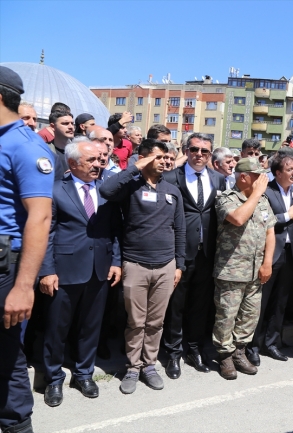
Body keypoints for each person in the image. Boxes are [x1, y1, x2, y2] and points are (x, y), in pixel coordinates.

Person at [38, 137, 122, 407]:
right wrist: (47, 271)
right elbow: (46, 234)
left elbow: (115, 230)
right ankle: (53, 379)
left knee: (90, 327)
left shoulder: (106, 191)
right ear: (73, 163)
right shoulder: (55, 191)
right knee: (57, 328)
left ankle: (83, 374)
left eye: (100, 160)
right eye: (91, 160)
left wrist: (116, 261)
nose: (98, 164)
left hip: (99, 270)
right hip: (64, 272)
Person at [99, 139, 186, 395]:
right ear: (145, 158)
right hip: (135, 264)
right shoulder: (131, 187)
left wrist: (179, 265)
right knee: (136, 321)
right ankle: (133, 367)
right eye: (158, 157)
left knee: (156, 322)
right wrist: (136, 167)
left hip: (166, 266)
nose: (164, 161)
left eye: (165, 157)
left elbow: (179, 230)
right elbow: (107, 191)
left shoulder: (172, 190)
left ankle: (149, 365)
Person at [0, 65, 54, 433]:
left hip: (5, 264)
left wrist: (23, 287)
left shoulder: (25, 144)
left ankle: (17, 424)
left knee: (5, 358)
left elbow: (40, 218)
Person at [161, 133, 226, 379]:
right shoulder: (170, 177)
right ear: (186, 151)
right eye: (195, 149)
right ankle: (173, 352)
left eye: (205, 151)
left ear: (210, 155)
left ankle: (195, 348)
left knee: (200, 305)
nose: (199, 155)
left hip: (207, 253)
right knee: (176, 306)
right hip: (179, 253)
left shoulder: (219, 179)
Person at [212, 158, 275, 380]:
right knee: (226, 315)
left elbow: (270, 232)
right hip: (232, 269)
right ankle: (225, 355)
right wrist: (256, 194)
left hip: (256, 270)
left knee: (250, 314)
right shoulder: (226, 199)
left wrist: (267, 263)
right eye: (257, 176)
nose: (262, 181)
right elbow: (237, 218)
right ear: (243, 177)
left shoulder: (263, 201)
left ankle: (239, 351)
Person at [248, 153, 293, 366]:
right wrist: (287, 216)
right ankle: (252, 345)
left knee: (281, 302)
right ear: (277, 172)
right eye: (289, 169)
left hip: (289, 255)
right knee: (260, 303)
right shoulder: (266, 192)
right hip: (269, 255)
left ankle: (272, 343)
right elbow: (262, 219)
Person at [48, 110, 75, 179]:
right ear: (52, 127)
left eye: (72, 123)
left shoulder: (80, 150)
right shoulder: (45, 150)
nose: (71, 127)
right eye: (65, 123)